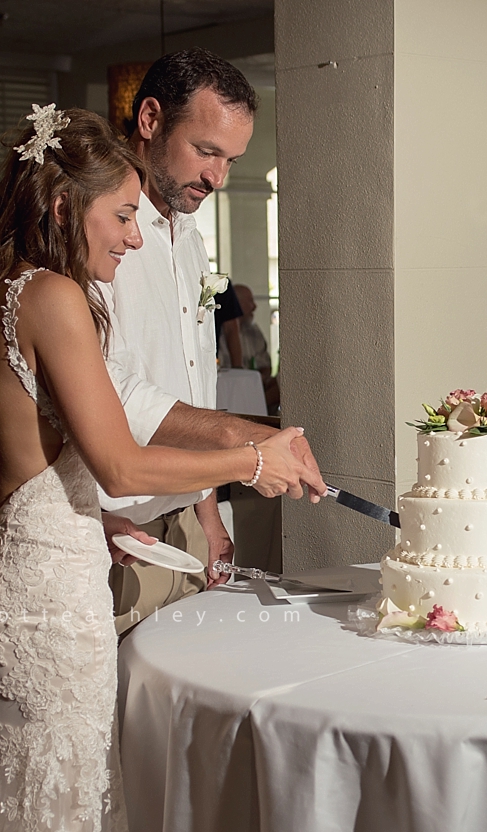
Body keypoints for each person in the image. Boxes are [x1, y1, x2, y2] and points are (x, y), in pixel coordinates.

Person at [0, 108, 315, 832]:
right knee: (55, 817)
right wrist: (252, 460)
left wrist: (74, 511)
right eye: (122, 215)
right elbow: (120, 464)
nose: (134, 237)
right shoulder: (52, 296)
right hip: (45, 615)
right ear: (60, 207)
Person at [98, 48, 323, 634]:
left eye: (231, 160)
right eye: (206, 151)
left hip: (185, 520)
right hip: (117, 526)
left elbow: (193, 382)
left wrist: (208, 512)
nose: (217, 178)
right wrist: (249, 440)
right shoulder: (98, 235)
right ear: (150, 121)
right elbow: (108, 389)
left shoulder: (190, 234)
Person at [230, 283, 280, 413]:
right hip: (235, 387)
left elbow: (265, 364)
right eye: (249, 301)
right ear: (236, 304)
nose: (254, 307)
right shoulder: (221, 334)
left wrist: (262, 377)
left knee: (281, 384)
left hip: (257, 384)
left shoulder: (254, 330)